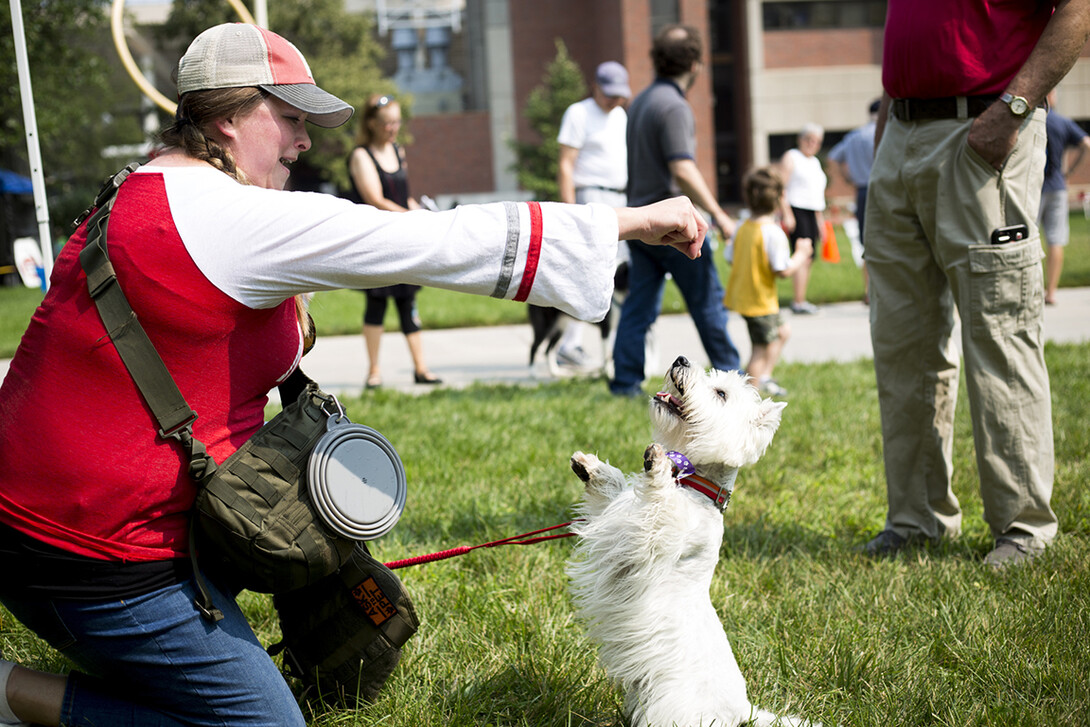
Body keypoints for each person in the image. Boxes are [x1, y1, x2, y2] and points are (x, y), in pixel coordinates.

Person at [0, 22, 713, 726]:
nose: (305, 139)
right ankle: (12, 695)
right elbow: (430, 240)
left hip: (40, 521)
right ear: (223, 119)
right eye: (287, 117)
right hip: (90, 551)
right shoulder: (233, 216)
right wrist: (628, 220)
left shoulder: (143, 182)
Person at [859, 0, 1090, 568]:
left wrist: (1013, 110)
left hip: (984, 131)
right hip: (900, 138)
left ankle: (1023, 528)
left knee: (1000, 334)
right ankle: (916, 520)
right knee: (902, 343)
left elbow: (1077, 9)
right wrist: (887, 131)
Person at [608, 24, 740, 397]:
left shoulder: (643, 102)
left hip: (640, 223)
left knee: (639, 306)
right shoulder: (674, 106)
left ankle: (625, 383)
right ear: (697, 64)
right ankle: (734, 386)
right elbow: (682, 168)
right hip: (673, 227)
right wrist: (718, 214)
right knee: (708, 305)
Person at [347, 93, 441, 387]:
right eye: (388, 123)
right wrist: (410, 218)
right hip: (379, 241)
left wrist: (425, 216)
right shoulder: (361, 156)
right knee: (377, 307)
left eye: (397, 122)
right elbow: (375, 200)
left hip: (404, 237)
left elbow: (405, 196)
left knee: (408, 302)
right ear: (372, 123)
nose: (393, 128)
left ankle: (421, 369)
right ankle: (374, 373)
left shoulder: (398, 150)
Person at [554, 60, 631, 369]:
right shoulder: (579, 113)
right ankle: (569, 344)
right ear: (595, 88)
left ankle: (613, 344)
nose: (614, 100)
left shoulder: (622, 116)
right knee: (589, 274)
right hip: (590, 198)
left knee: (616, 276)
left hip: (619, 198)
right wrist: (571, 210)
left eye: (619, 95)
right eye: (609, 94)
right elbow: (565, 164)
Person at [724, 167, 813, 398]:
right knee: (759, 352)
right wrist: (801, 254)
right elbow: (782, 270)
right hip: (760, 303)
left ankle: (763, 377)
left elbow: (729, 257)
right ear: (779, 198)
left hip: (747, 299)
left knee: (782, 331)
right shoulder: (772, 233)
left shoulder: (742, 227)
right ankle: (748, 401)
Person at [1039, 88, 1090, 306]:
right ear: (1051, 96)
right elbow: (1086, 144)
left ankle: (1033, 292)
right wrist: (1069, 172)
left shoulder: (1031, 121)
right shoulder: (1061, 122)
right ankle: (1051, 292)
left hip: (1034, 188)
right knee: (1056, 240)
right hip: (1057, 186)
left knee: (1028, 240)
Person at [827, 99, 880, 303]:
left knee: (866, 242)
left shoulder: (854, 137)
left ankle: (868, 291)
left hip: (861, 192)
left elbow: (833, 157)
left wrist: (848, 177)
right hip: (883, 190)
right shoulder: (886, 132)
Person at [777, 123, 827, 315]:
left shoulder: (814, 162)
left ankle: (802, 298)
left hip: (812, 211)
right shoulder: (792, 157)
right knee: (801, 255)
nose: (812, 144)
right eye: (809, 140)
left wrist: (820, 223)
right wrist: (787, 213)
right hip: (796, 209)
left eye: (817, 142)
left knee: (809, 257)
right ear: (801, 139)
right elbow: (781, 187)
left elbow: (816, 196)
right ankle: (798, 302)